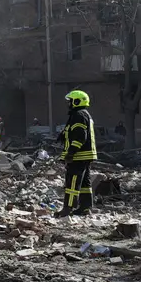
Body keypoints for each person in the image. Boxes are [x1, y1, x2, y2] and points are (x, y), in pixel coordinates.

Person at [56, 90, 98, 218]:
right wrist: (64, 135)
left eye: (70, 101)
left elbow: (80, 136)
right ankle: (85, 207)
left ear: (77, 101)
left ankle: (68, 208)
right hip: (86, 155)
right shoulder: (83, 114)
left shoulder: (78, 115)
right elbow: (75, 132)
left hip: (79, 155)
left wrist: (71, 153)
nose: (68, 104)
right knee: (85, 182)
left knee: (72, 181)